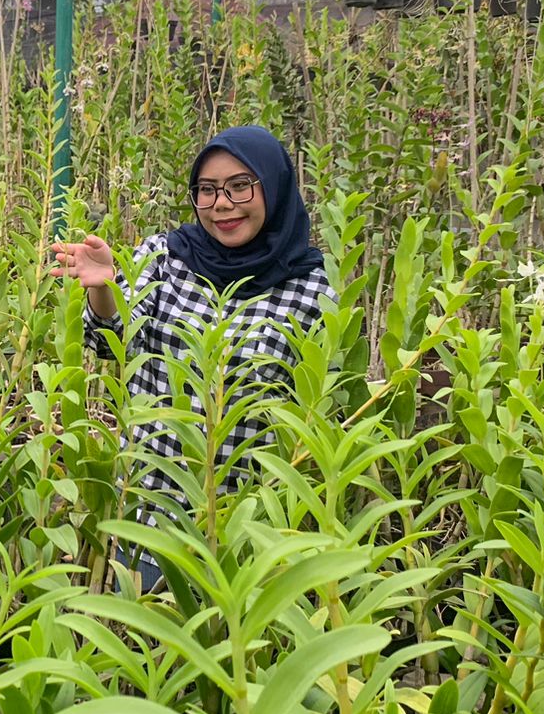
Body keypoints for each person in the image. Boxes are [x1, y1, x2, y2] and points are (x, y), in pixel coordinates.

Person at [51, 124, 333, 514]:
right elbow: (108, 340)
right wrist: (106, 289)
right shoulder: (165, 256)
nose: (221, 203)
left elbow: (318, 404)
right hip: (148, 515)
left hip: (248, 525)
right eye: (207, 189)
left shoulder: (309, 289)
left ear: (273, 187)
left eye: (240, 185)